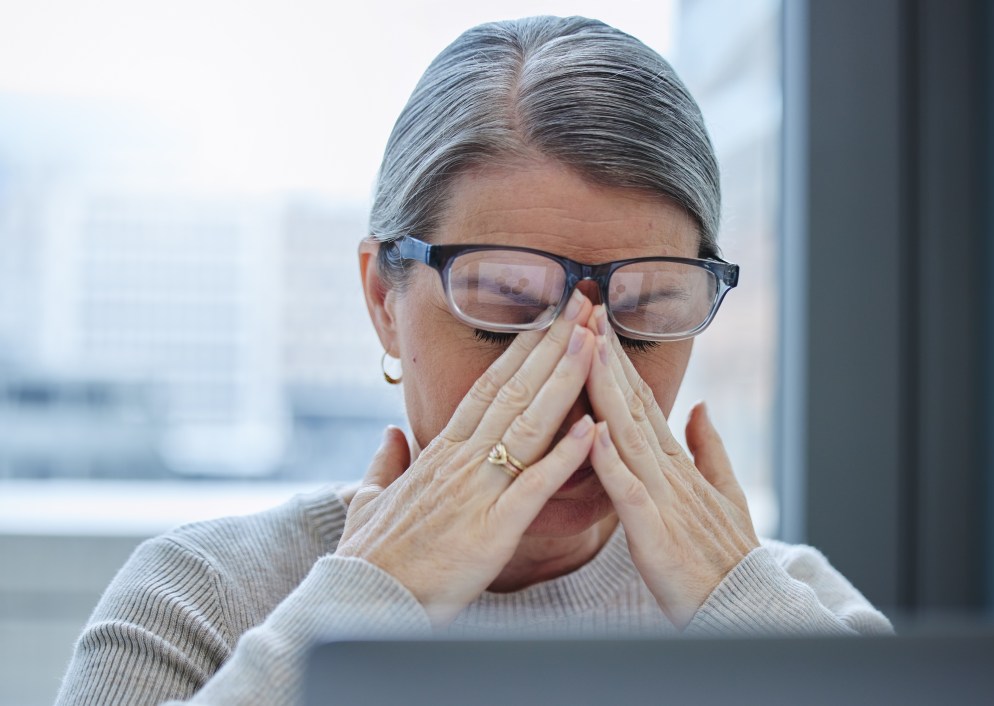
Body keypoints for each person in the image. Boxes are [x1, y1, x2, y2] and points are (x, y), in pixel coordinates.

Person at [56, 15, 892, 706]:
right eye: (504, 307)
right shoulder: (204, 598)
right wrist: (365, 604)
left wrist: (749, 631)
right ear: (384, 301)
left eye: (645, 312)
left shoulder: (791, 608)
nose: (578, 378)